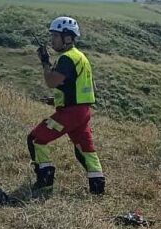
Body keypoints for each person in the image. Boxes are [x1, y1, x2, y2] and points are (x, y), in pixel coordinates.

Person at [27, 16, 105, 194]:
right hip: (82, 111)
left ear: (68, 38)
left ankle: (45, 179)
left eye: (55, 36)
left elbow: (51, 82)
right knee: (85, 149)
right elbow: (83, 86)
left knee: (36, 139)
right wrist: (57, 100)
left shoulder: (66, 59)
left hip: (70, 113)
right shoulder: (80, 57)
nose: (52, 40)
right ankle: (97, 187)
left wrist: (45, 62)